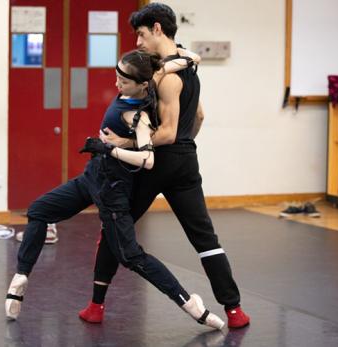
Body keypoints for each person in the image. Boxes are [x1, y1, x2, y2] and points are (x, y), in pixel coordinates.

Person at [5, 50, 224, 330]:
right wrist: (190, 57)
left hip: (113, 189)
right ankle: (21, 276)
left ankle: (192, 305)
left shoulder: (139, 114)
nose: (117, 84)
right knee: (39, 210)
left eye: (123, 80)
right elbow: (188, 60)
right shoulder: (148, 77)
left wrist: (109, 148)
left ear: (142, 85)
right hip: (92, 178)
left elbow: (148, 159)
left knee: (131, 256)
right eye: (116, 76)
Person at [78, 3, 250, 329]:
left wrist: (125, 144)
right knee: (205, 239)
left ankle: (96, 306)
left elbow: (167, 134)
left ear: (157, 28)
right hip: (186, 161)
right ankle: (235, 311)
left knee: (116, 224)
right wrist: (187, 143)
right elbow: (198, 116)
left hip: (157, 160)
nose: (139, 43)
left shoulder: (167, 78)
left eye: (141, 35)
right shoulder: (186, 69)